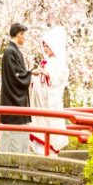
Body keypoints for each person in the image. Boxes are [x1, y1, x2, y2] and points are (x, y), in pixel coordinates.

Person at [0, 23, 40, 153]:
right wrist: (31, 73)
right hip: (13, 101)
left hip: (15, 100)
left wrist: (28, 74)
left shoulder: (13, 50)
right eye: (23, 35)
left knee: (18, 138)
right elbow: (16, 76)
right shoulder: (10, 51)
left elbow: (19, 73)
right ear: (19, 35)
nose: (25, 38)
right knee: (13, 141)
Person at [29, 26, 70, 155]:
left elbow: (60, 79)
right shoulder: (44, 61)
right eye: (44, 45)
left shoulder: (60, 63)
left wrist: (48, 75)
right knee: (38, 126)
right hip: (38, 102)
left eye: (48, 45)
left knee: (50, 127)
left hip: (50, 101)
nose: (45, 48)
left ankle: (49, 152)